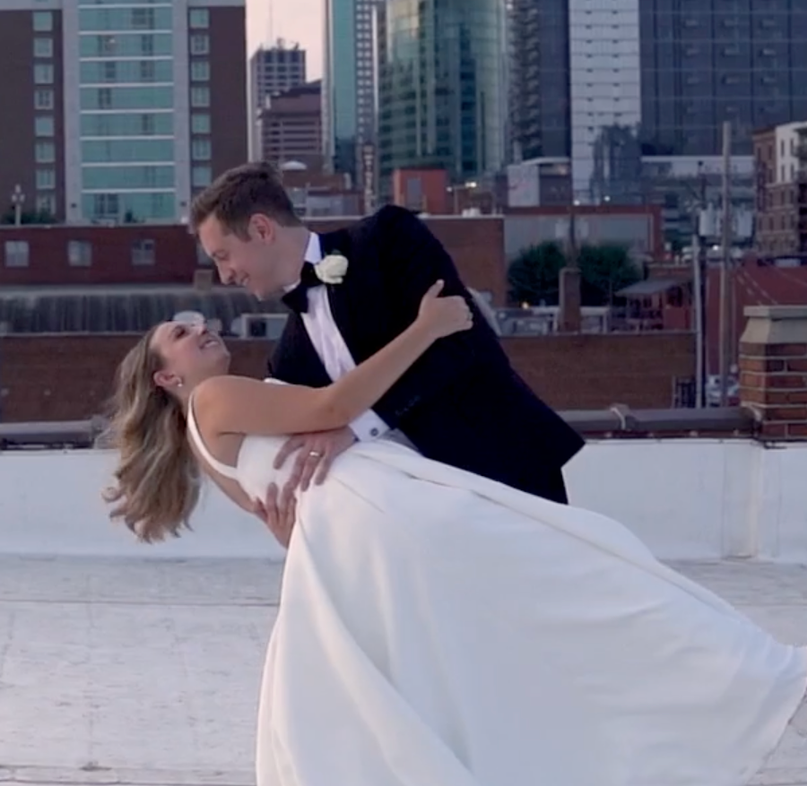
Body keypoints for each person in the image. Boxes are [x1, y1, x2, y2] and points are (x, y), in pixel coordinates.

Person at [103, 289, 807, 786]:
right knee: (588, 569)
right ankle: (765, 676)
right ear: (167, 377)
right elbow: (338, 405)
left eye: (197, 318)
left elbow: (284, 519)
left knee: (474, 692)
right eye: (180, 331)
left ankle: (716, 711)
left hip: (362, 546)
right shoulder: (213, 397)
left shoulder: (208, 440)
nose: (200, 325)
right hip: (396, 519)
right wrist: (427, 329)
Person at [190, 165, 584, 542]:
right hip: (419, 530)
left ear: (261, 228)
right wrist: (289, 530)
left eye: (223, 256)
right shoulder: (287, 360)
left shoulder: (386, 240)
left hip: (506, 472)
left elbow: (460, 342)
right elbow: (300, 462)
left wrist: (358, 427)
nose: (224, 275)